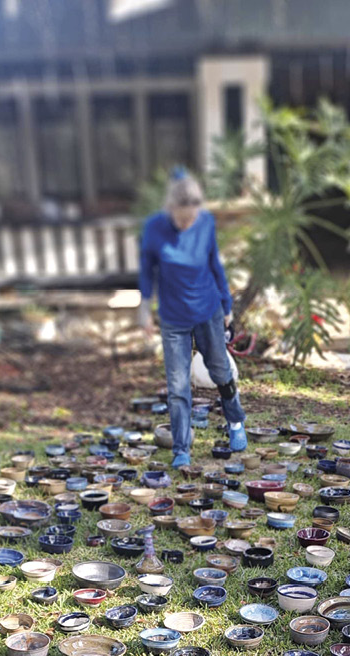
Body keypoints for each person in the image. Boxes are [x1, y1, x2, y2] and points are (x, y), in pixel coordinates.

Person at [138, 169, 246, 468]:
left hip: (207, 309)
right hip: (173, 317)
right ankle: (181, 449)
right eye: (182, 219)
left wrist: (227, 306)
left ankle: (235, 421)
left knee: (220, 370)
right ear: (170, 208)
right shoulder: (154, 228)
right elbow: (147, 271)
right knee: (177, 385)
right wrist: (144, 309)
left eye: (192, 218)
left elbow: (215, 264)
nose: (188, 224)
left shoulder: (205, 222)